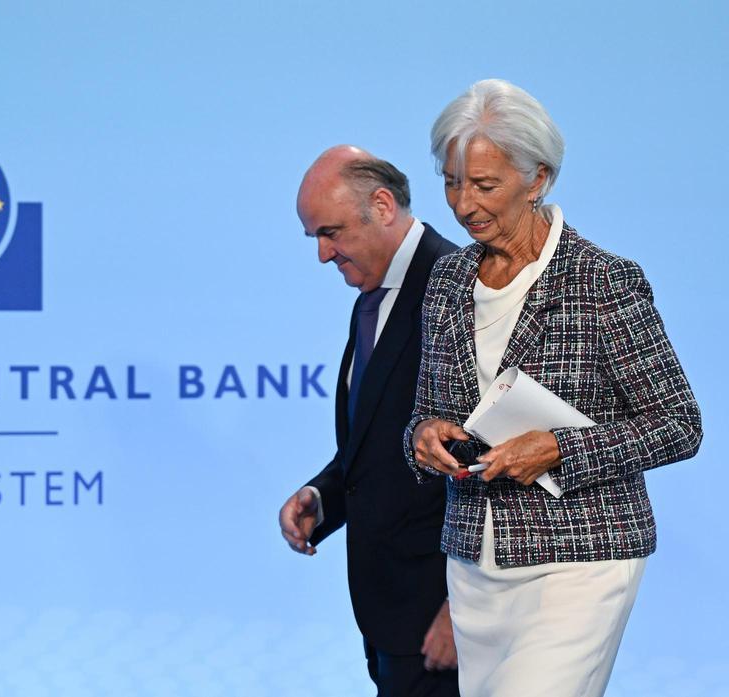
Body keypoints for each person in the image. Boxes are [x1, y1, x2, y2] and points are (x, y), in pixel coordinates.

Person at [407, 79, 702, 696]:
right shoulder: (447, 280)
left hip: (580, 557)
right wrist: (425, 436)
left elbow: (679, 424)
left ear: (537, 178)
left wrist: (561, 449)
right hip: (475, 562)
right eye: (452, 182)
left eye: (484, 185)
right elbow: (428, 411)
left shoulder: (604, 279)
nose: (463, 204)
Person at [279, 145, 460, 697]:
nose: (323, 254)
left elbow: (488, 459)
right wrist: (324, 496)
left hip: (445, 624)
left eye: (329, 232)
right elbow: (379, 443)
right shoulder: (370, 296)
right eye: (315, 237)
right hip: (390, 618)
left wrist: (469, 607)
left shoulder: (456, 286)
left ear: (382, 206)